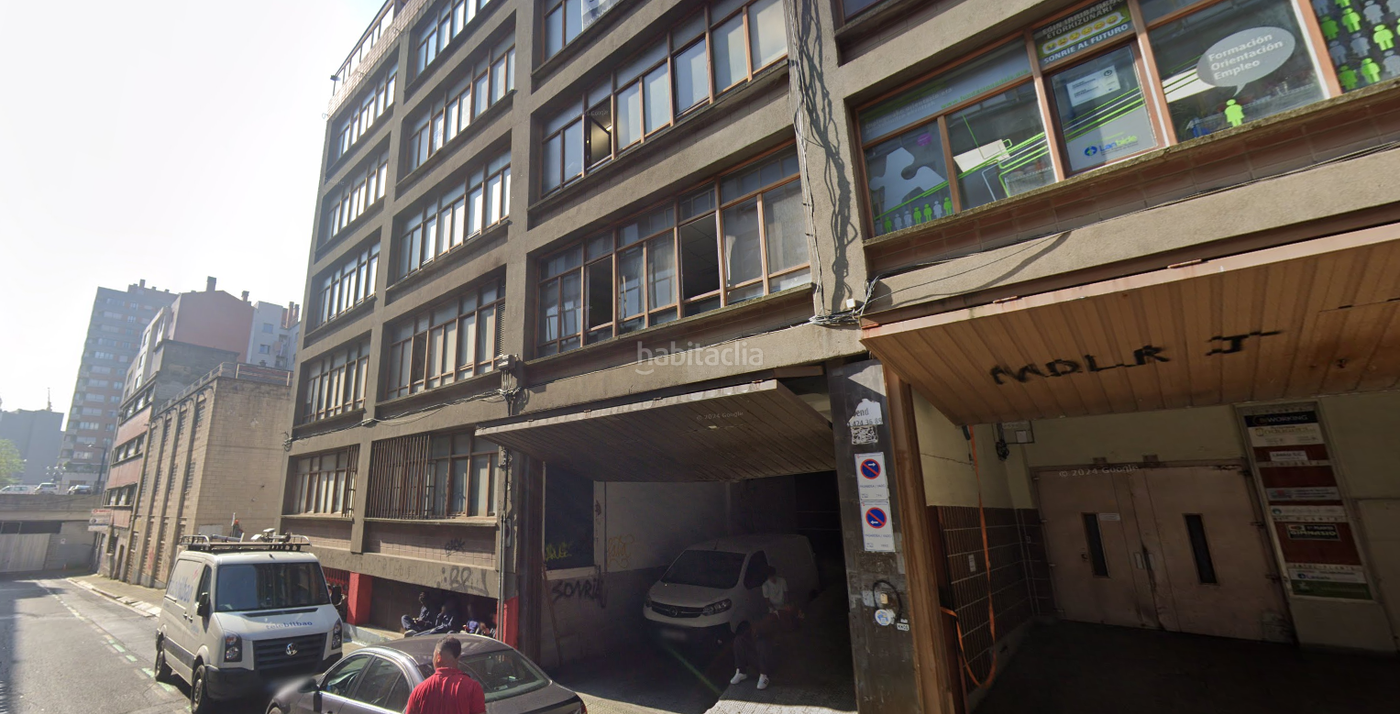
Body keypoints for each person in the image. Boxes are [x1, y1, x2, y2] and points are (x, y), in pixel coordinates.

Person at [404, 637, 486, 714]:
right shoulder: (472, 688)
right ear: (458, 656)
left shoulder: (419, 691)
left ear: (438, 657)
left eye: (433, 655)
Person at [730, 619, 775, 690]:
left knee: (762, 643)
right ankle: (741, 671)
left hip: (769, 659)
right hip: (756, 652)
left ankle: (764, 675)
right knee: (739, 639)